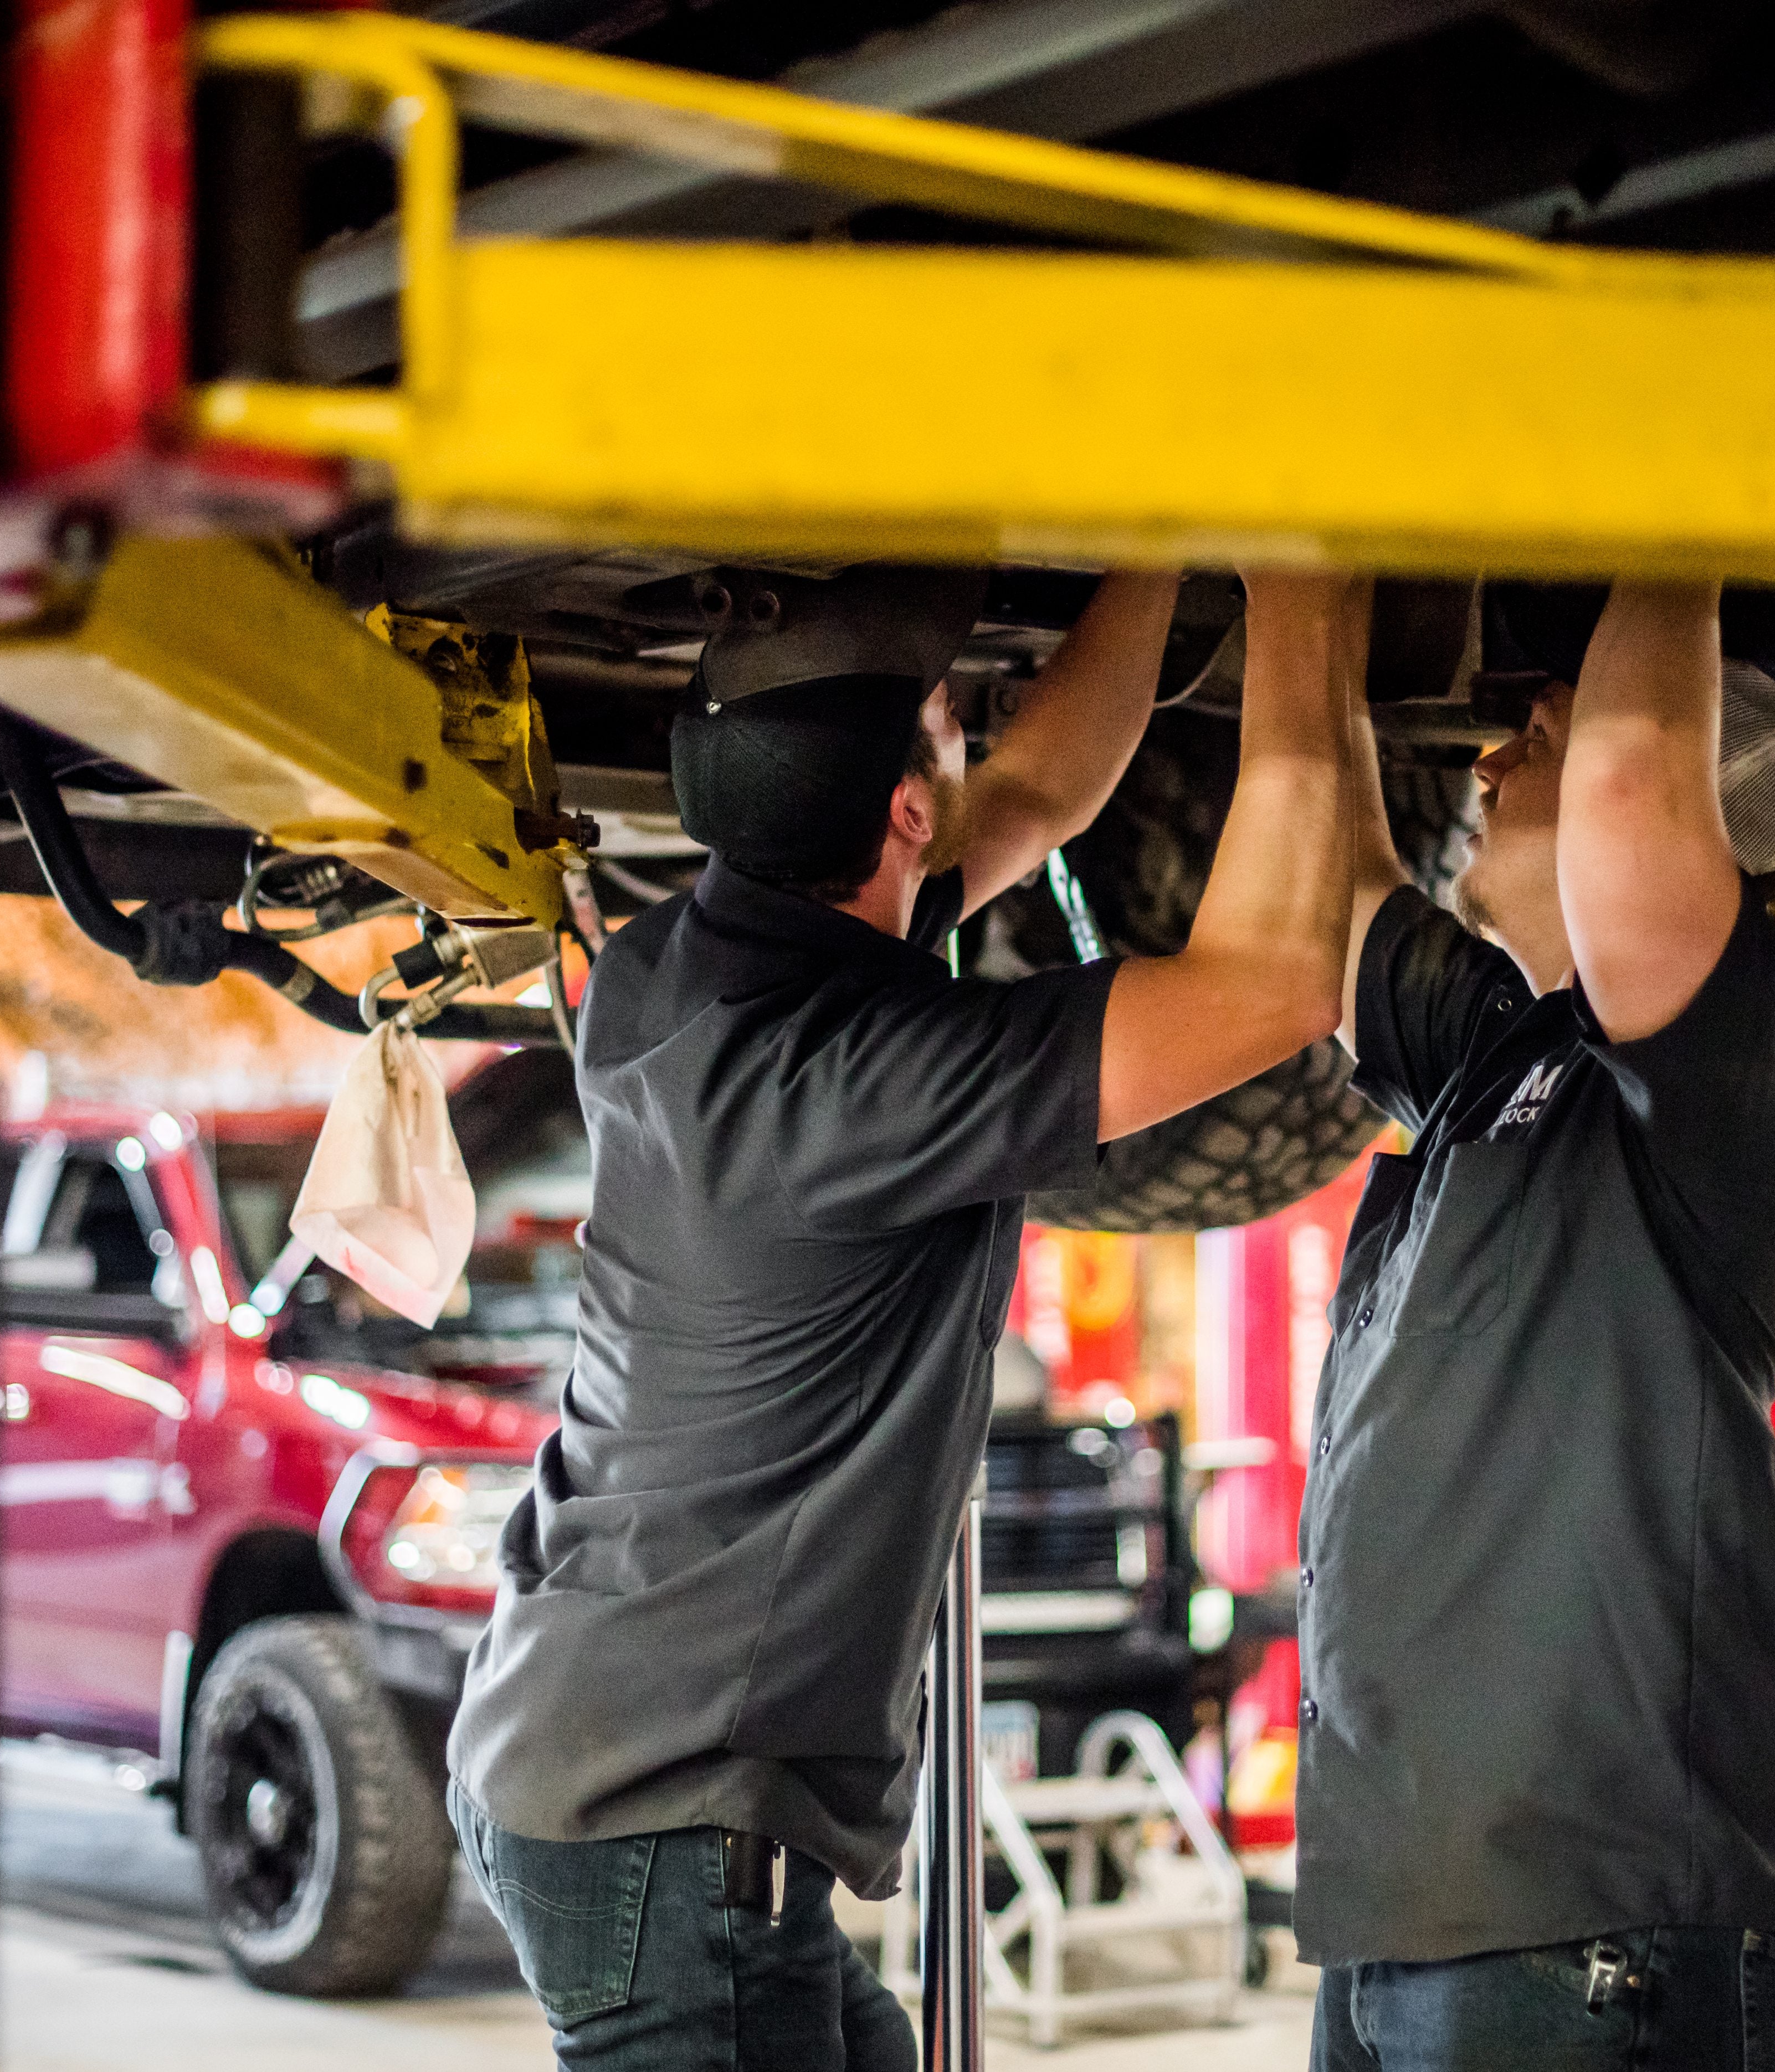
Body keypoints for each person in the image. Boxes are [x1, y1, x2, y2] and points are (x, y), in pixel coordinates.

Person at [450, 563, 1369, 2068]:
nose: (969, 736)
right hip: (662, 1827)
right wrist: (1303, 586)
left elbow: (1042, 792)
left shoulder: (674, 968)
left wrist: (1160, 541)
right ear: (897, 816)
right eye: (945, 727)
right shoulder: (861, 1081)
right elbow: (1270, 986)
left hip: (599, 1761)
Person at [1298, 578, 1775, 2071]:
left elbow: (1622, 785)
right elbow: (1327, 899)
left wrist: (1659, 494)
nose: (1484, 766)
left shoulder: (1736, 1100)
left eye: (1529, 733)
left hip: (1602, 1907)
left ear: (1690, 791)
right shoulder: (1497, 1063)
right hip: (1414, 1904)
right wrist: (1298, 596)